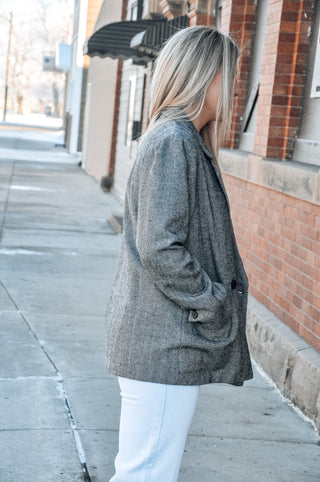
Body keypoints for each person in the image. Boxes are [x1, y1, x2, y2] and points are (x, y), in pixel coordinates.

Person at [105, 25, 253, 482]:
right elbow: (160, 247)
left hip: (161, 344)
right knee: (146, 475)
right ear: (205, 77)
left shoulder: (181, 139)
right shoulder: (174, 141)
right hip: (163, 345)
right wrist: (210, 300)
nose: (234, 87)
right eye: (229, 75)